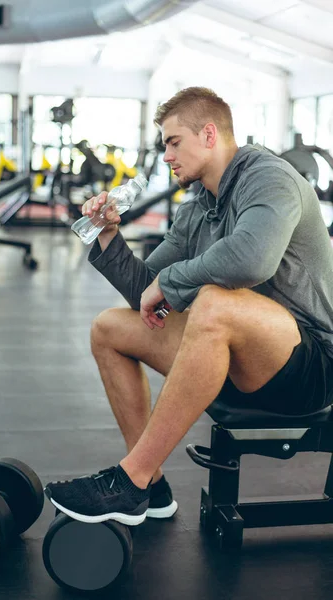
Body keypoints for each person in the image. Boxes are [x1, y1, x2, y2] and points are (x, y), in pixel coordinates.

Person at [45, 87, 333, 526]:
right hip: (237, 360)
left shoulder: (270, 178)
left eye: (173, 142)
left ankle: (130, 480)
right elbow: (147, 291)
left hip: (310, 367)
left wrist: (174, 282)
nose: (166, 156)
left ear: (210, 134)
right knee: (110, 328)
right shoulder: (198, 205)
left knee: (214, 303)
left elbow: (252, 259)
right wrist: (107, 233)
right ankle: (152, 487)